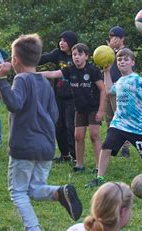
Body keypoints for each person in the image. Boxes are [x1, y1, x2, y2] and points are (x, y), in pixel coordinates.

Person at [0, 34, 83, 231]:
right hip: (46, 146)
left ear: (15, 60)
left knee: (17, 192)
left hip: (24, 145)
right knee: (34, 189)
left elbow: (15, 104)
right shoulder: (45, 82)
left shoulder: (21, 80)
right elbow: (54, 114)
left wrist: (1, 80)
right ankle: (59, 192)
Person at [86, 48, 142, 188]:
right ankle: (99, 178)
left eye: (125, 59)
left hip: (138, 126)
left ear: (132, 62)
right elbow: (108, 90)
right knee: (106, 147)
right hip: (119, 123)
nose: (122, 62)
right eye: (119, 60)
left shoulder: (138, 80)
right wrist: (106, 71)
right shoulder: (119, 81)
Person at [41, 43, 105, 173]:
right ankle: (79, 165)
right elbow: (53, 73)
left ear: (86, 56)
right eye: (75, 54)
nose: (77, 57)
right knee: (78, 136)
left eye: (80, 54)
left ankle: (99, 166)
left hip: (93, 107)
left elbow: (103, 89)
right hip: (79, 108)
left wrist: (101, 110)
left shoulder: (93, 70)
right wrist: (33, 74)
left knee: (94, 135)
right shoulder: (70, 70)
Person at [39, 31, 78, 163]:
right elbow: (44, 58)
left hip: (72, 97)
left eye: (65, 40)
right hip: (58, 96)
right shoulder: (57, 54)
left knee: (70, 126)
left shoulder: (76, 55)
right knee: (58, 125)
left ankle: (75, 156)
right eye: (60, 40)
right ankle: (64, 154)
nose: (62, 43)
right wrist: (29, 57)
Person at [106, 26, 131, 158]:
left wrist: (112, 51)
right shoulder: (108, 52)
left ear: (122, 38)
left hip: (121, 89)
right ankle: (112, 145)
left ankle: (125, 147)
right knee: (110, 118)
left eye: (115, 37)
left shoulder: (125, 52)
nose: (112, 40)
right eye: (110, 37)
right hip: (108, 88)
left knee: (121, 117)